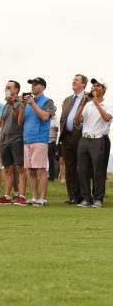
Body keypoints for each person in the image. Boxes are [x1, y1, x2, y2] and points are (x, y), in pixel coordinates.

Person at [74, 78, 113, 208]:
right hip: (84, 139)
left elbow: (107, 118)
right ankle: (86, 198)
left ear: (103, 89)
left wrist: (96, 103)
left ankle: (98, 198)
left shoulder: (108, 104)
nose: (94, 88)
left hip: (98, 139)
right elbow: (77, 119)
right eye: (93, 86)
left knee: (98, 171)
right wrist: (84, 101)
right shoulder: (87, 104)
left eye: (97, 86)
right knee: (83, 170)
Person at [18, 78, 54, 206]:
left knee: (40, 170)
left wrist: (33, 104)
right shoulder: (27, 104)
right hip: (27, 140)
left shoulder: (48, 101)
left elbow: (45, 117)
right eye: (32, 84)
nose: (32, 86)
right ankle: (34, 198)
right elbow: (20, 122)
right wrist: (22, 107)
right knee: (31, 171)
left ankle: (43, 199)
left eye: (36, 84)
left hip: (40, 139)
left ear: (43, 87)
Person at [0, 80, 27, 205]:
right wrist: (1, 134)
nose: (7, 89)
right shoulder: (5, 105)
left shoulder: (21, 102)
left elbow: (20, 118)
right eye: (6, 87)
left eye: (9, 87)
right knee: (8, 169)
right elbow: (3, 121)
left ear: (16, 90)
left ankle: (22, 196)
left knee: (20, 168)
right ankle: (7, 196)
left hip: (17, 138)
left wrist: (13, 105)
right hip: (5, 140)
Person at [59, 74, 88, 204]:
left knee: (82, 167)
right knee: (69, 167)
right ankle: (72, 196)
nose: (73, 81)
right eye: (73, 79)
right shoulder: (67, 99)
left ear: (84, 84)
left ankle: (83, 196)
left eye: (77, 80)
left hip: (82, 136)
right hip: (67, 136)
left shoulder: (88, 99)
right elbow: (63, 118)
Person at [48, 107, 59, 181]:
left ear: (54, 110)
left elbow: (59, 131)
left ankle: (52, 177)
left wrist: (57, 142)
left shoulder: (57, 119)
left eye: (51, 110)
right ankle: (49, 175)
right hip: (44, 141)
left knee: (52, 160)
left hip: (52, 141)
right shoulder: (47, 118)